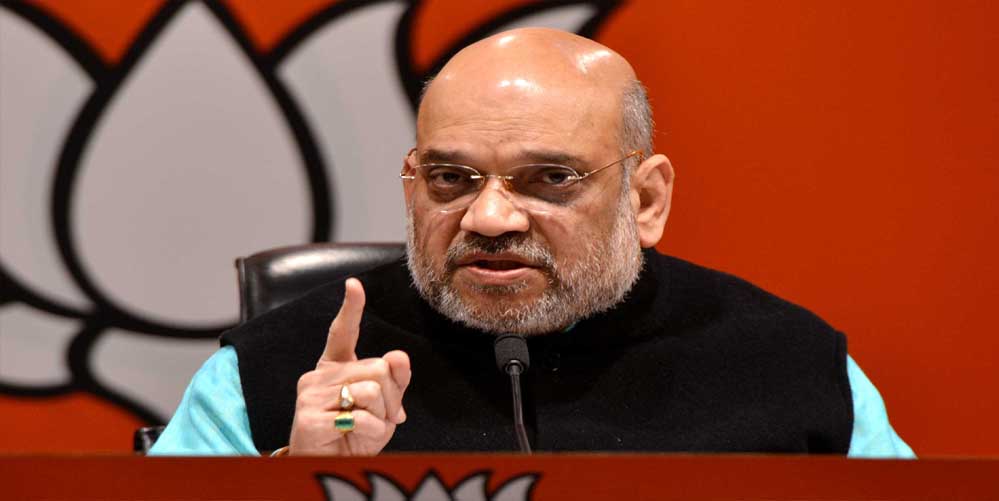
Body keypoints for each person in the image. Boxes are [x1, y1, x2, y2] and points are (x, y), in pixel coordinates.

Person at [150, 28, 913, 457]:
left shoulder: (788, 364)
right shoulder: (272, 373)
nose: (488, 218)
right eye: (450, 178)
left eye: (549, 178)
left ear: (645, 199)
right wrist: (295, 483)